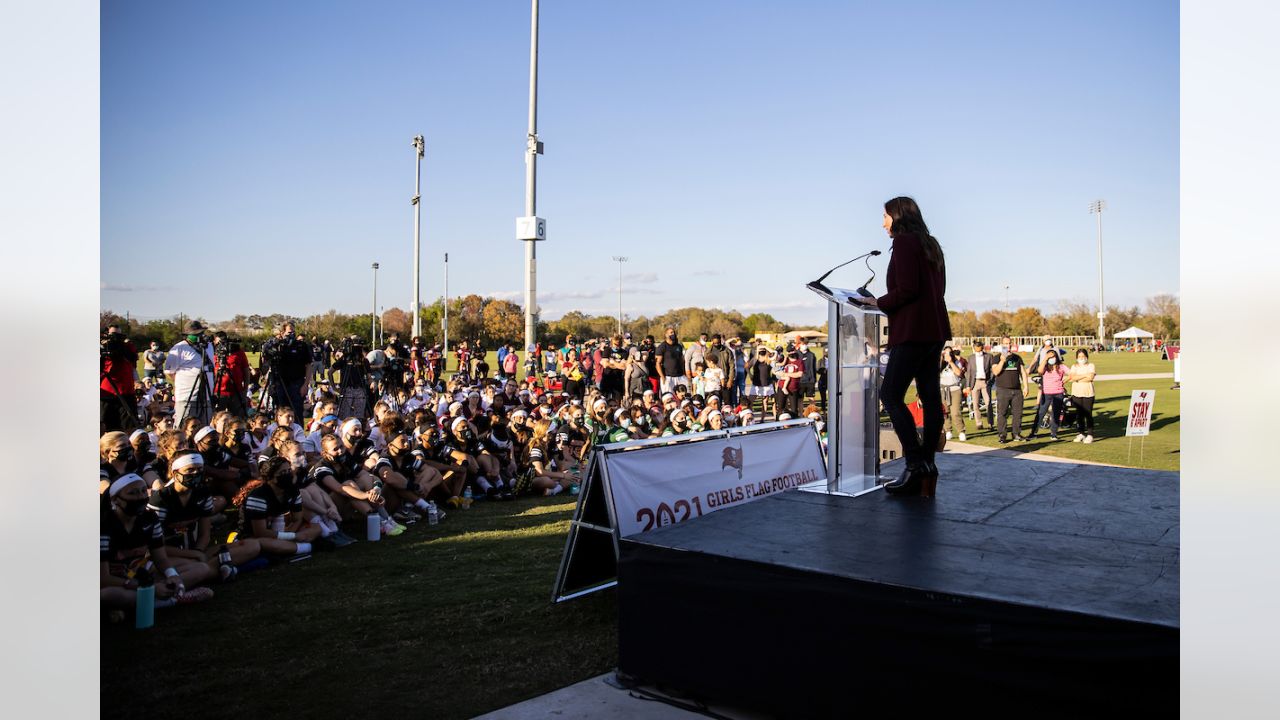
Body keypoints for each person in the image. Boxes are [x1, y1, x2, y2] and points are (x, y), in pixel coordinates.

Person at [852, 197, 950, 498]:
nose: (882, 223)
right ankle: (928, 467)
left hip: (913, 332)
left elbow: (907, 290)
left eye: (884, 216)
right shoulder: (930, 243)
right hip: (933, 330)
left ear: (897, 216)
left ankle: (915, 464)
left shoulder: (906, 243)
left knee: (890, 395)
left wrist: (877, 302)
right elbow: (936, 289)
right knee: (930, 397)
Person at [164, 321, 216, 426]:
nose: (200, 336)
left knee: (204, 427)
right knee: (185, 425)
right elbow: (169, 372)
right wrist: (183, 382)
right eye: (196, 334)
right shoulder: (179, 348)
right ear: (187, 335)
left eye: (201, 333)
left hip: (206, 395)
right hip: (187, 396)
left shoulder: (208, 346)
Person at [261, 321, 312, 421]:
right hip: (279, 383)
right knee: (281, 412)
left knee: (296, 413)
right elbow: (265, 357)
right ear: (282, 333)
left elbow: (309, 365)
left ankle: (297, 434)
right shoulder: (276, 345)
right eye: (289, 333)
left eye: (293, 332)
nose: (292, 335)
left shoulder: (301, 346)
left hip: (297, 383)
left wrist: (305, 385)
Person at [100, 324, 140, 433]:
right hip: (107, 391)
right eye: (112, 335)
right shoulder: (102, 347)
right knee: (106, 423)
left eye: (118, 335)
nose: (115, 338)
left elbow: (133, 359)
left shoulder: (127, 346)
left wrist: (120, 346)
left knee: (129, 424)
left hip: (125, 390)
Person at [992, 335, 1030, 444]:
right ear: (1001, 345)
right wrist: (1002, 361)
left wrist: (1026, 386)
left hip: (1017, 390)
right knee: (1002, 413)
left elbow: (1023, 372)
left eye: (1009, 343)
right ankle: (1002, 435)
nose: (1007, 345)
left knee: (1018, 413)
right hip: (1003, 390)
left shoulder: (1017, 358)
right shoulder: (997, 357)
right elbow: (996, 372)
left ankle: (1016, 434)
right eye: (1005, 343)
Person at [1028, 346, 1067, 440]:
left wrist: (1064, 381)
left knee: (1056, 414)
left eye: (1053, 357)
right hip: (1046, 394)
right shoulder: (1045, 367)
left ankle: (1054, 433)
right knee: (1041, 413)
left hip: (1058, 393)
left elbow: (1072, 373)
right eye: (1050, 357)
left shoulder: (1061, 367)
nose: (1051, 359)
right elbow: (1039, 371)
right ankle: (1033, 433)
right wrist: (1046, 358)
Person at [1066, 348, 1097, 443]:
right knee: (1079, 414)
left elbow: (1090, 378)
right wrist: (1084, 375)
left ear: (1086, 357)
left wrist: (1078, 378)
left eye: (1083, 356)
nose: (1081, 358)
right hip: (1076, 393)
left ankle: (1090, 434)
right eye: (1079, 357)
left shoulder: (1091, 365)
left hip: (1088, 393)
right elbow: (1071, 378)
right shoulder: (1074, 366)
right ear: (1076, 357)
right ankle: (1081, 433)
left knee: (1088, 414)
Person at [939, 346, 967, 441]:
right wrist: (941, 357)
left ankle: (961, 431)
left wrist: (950, 362)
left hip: (954, 389)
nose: (947, 355)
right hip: (943, 389)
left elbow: (959, 373)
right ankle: (948, 430)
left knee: (955, 412)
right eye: (945, 353)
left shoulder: (956, 362)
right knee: (944, 412)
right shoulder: (940, 363)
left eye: (949, 353)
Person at [965, 341, 994, 430]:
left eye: (979, 349)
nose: (978, 351)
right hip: (975, 383)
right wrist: (968, 386)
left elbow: (992, 369)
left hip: (985, 382)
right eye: (976, 349)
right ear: (974, 348)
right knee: (976, 404)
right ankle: (979, 423)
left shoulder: (989, 356)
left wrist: (990, 381)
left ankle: (990, 423)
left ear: (982, 347)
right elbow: (969, 372)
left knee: (988, 403)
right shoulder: (971, 357)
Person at [655, 327, 688, 394]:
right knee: (669, 397)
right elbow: (657, 363)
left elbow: (682, 361)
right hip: (668, 377)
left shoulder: (679, 346)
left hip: (680, 376)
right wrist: (662, 377)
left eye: (674, 332)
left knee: (684, 395)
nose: (673, 334)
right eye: (671, 332)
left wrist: (684, 374)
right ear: (666, 335)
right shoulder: (662, 346)